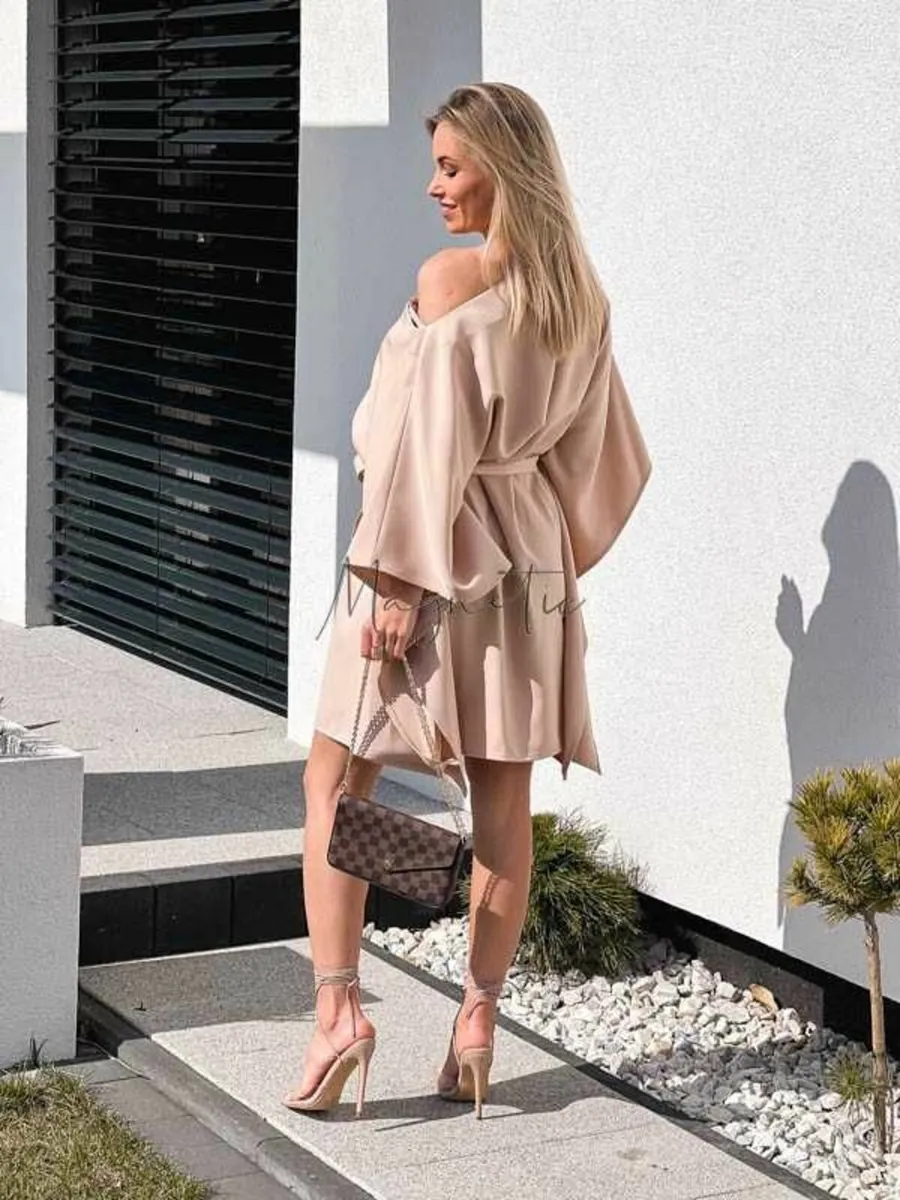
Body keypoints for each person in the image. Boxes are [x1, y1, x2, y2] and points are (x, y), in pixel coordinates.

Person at [283, 82, 652, 1120]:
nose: (433, 186)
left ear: (503, 166)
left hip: (426, 561)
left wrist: (398, 581)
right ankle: (476, 1024)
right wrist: (544, 554)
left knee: (337, 780)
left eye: (451, 166)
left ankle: (339, 1013)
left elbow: (416, 437)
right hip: (529, 573)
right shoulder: (581, 300)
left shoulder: (449, 281)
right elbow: (609, 464)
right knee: (502, 806)